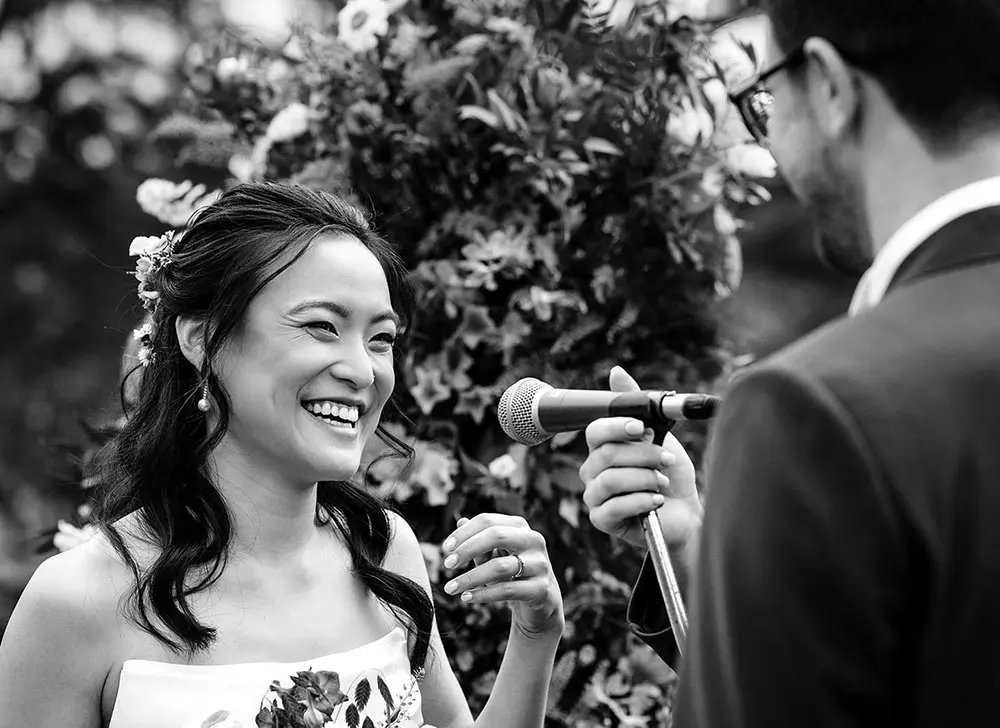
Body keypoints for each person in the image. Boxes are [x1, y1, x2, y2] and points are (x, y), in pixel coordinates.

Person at [0, 183, 564, 728]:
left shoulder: (385, 554)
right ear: (202, 338)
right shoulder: (76, 602)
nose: (362, 371)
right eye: (322, 326)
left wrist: (536, 634)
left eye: (381, 339)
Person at [579, 1, 1000, 726]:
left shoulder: (816, 410)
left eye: (765, 98)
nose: (770, 137)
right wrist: (701, 560)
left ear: (831, 86)